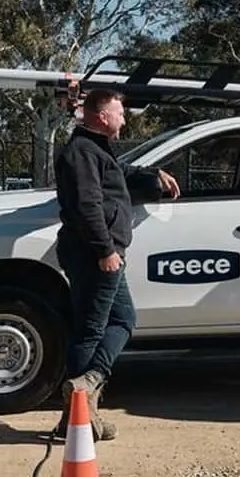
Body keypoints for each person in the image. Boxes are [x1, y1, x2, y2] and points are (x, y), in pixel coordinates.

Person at [52, 88, 179, 441]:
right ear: (100, 116)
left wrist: (154, 174)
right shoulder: (81, 152)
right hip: (95, 254)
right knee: (91, 330)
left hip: (101, 252)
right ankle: (83, 396)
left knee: (124, 320)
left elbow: (118, 172)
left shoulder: (94, 149)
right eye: (120, 113)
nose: (124, 119)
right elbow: (86, 207)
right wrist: (105, 249)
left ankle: (80, 406)